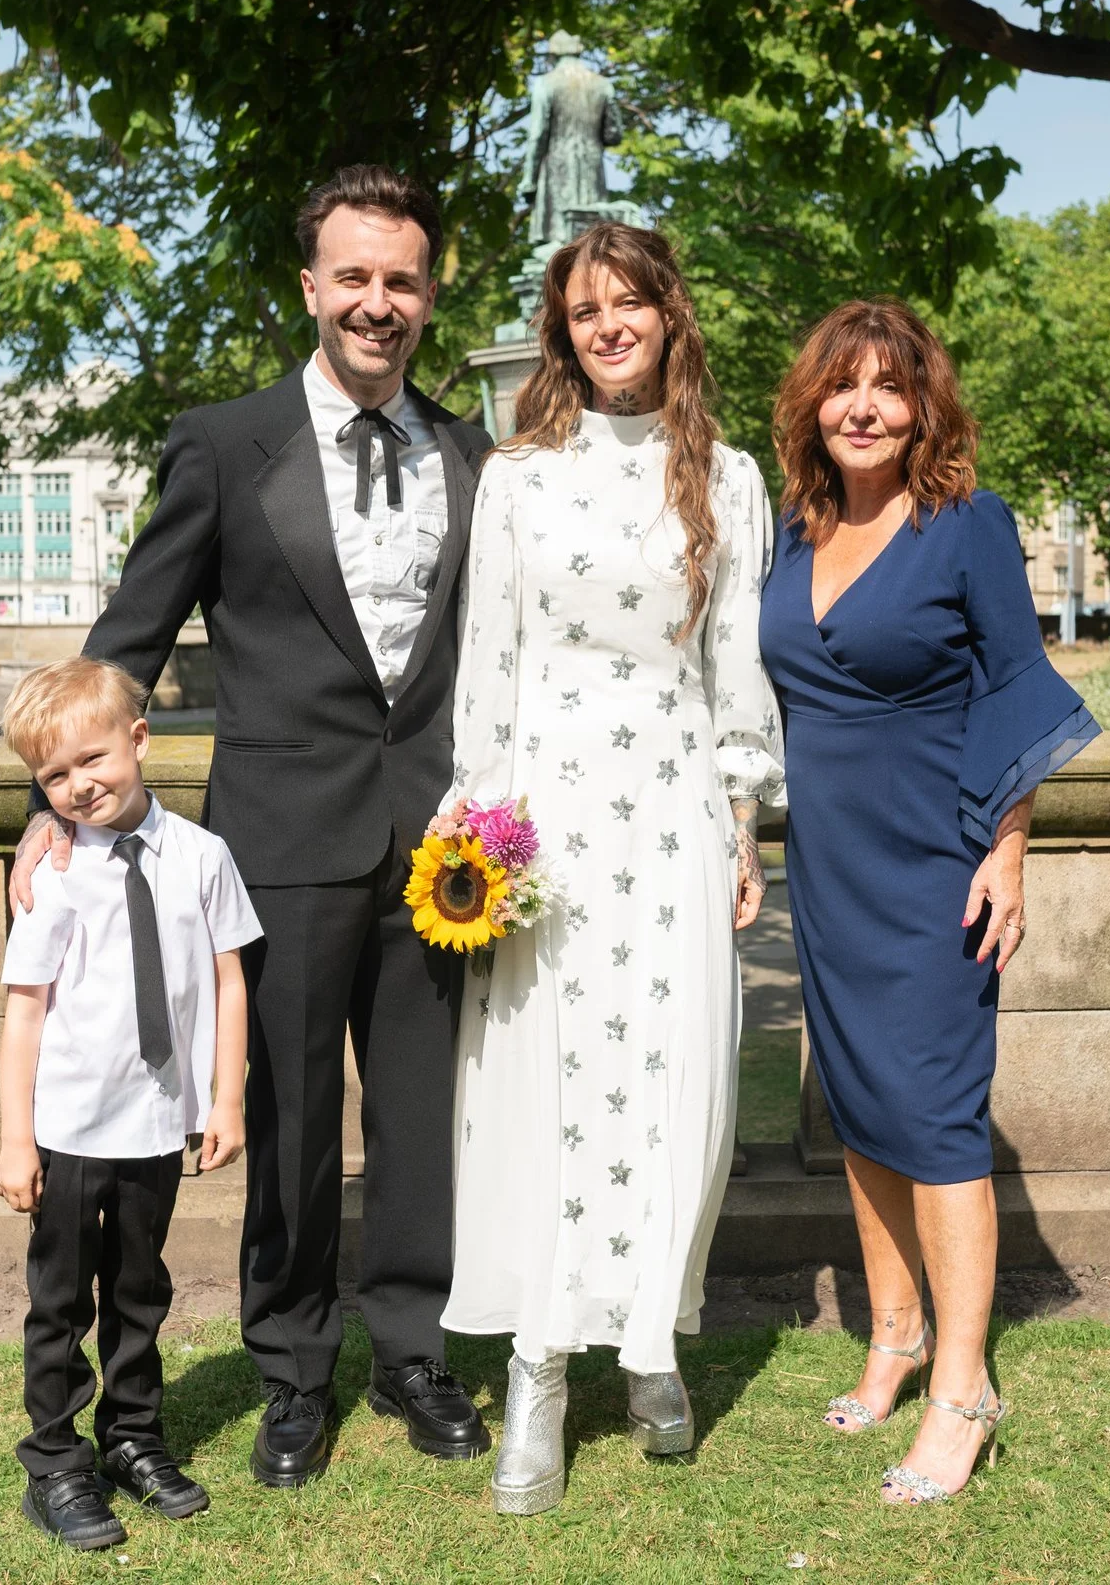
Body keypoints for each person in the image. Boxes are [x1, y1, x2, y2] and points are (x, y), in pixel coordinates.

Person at [7, 165, 494, 1487]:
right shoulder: (226, 445)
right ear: (310, 287)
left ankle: (412, 1349)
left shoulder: (472, 454)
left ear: (428, 294)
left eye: (401, 280)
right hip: (279, 840)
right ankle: (291, 1369)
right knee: (282, 1125)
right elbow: (130, 640)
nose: (376, 303)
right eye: (353, 277)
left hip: (444, 851)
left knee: (417, 1113)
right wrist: (40, 810)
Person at [441, 221, 784, 1515]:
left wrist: (743, 818)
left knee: (676, 1077)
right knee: (549, 1079)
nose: (608, 325)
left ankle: (653, 1342)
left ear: (668, 315)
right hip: (551, 811)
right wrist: (480, 825)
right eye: (584, 310)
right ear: (562, 331)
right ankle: (539, 1363)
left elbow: (734, 662)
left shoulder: (730, 478)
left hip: (676, 811)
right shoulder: (518, 479)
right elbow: (491, 658)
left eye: (628, 302)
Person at [756, 301, 1098, 1507]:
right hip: (831, 867)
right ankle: (892, 1331)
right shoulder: (794, 532)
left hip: (935, 860)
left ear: (921, 408)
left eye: (887, 389)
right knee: (858, 1102)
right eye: (841, 387)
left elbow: (1015, 688)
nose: (862, 408)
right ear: (813, 404)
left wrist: (1008, 848)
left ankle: (963, 1386)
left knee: (940, 1116)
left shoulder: (966, 526)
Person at [0, 657, 264, 1549]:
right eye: (54, 776)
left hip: (155, 1122)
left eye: (91, 760)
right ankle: (57, 1460)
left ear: (139, 739)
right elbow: (24, 1013)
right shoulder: (54, 872)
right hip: (69, 1126)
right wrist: (14, 1140)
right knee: (63, 1299)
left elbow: (229, 982)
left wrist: (225, 1099)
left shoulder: (202, 855)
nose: (77, 786)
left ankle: (133, 1437)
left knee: (141, 1290)